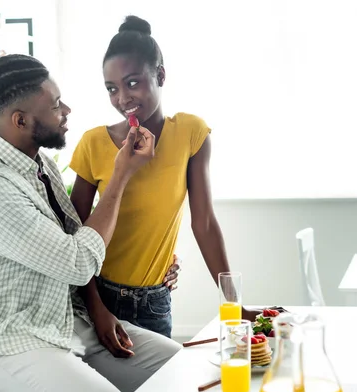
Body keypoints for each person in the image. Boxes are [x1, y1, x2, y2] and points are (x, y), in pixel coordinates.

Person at [0, 54, 180, 392]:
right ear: (21, 120)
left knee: (181, 369)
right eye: (56, 106)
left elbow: (73, 238)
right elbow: (77, 261)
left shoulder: (40, 166)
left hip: (65, 321)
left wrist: (99, 310)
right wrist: (121, 174)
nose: (67, 110)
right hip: (3, 340)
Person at [69, 15, 258, 344]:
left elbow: (205, 224)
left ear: (160, 75)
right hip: (98, 298)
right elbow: (74, 234)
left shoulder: (190, 134)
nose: (122, 99)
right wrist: (96, 307)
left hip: (154, 303)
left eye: (132, 83)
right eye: (111, 89)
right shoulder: (93, 143)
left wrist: (234, 303)